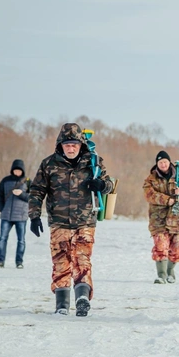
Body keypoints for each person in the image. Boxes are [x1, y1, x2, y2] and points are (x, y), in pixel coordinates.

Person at [28, 123, 113, 317]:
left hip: (85, 221)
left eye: (74, 144)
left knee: (82, 259)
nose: (71, 148)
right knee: (61, 262)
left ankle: (82, 297)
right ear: (60, 145)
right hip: (59, 222)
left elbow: (109, 185)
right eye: (67, 145)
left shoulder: (94, 162)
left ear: (81, 144)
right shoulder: (48, 164)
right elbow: (36, 190)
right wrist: (33, 215)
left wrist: (101, 184)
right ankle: (62, 304)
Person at [142, 151, 179, 284]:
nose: (163, 164)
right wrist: (167, 200)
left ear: (169, 162)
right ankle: (161, 275)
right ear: (157, 164)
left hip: (178, 219)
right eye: (160, 162)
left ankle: (170, 272)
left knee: (177, 250)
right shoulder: (151, 179)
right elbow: (149, 194)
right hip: (158, 219)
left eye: (165, 162)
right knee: (161, 247)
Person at [0, 159, 30, 268]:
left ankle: (19, 262)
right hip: (6, 216)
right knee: (2, 238)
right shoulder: (5, 180)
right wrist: (2, 209)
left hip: (21, 216)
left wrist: (22, 194)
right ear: (12, 170)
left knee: (21, 240)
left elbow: (33, 197)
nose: (17, 172)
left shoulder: (27, 181)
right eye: (15, 170)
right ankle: (0, 261)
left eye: (19, 170)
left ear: (23, 171)